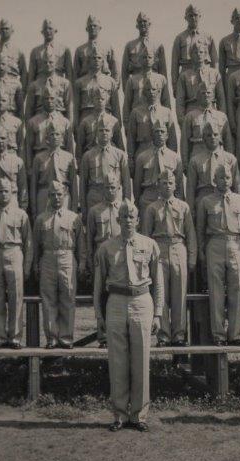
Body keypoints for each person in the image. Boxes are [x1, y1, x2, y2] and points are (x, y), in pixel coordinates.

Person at [93, 201, 163, 432]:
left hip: (142, 301)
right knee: (117, 359)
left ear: (138, 220)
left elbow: (159, 283)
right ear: (118, 220)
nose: (128, 220)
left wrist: (158, 314)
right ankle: (120, 414)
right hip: (116, 302)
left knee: (141, 358)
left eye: (131, 216)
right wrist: (99, 316)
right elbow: (98, 287)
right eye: (123, 216)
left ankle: (139, 415)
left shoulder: (150, 245)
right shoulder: (106, 248)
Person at [196, 164, 240, 345]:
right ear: (215, 180)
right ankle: (219, 335)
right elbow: (200, 231)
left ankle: (235, 335)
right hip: (215, 243)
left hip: (236, 244)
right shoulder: (206, 201)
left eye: (228, 177)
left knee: (237, 288)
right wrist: (202, 252)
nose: (225, 180)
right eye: (221, 177)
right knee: (216, 291)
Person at [141, 170, 196, 347]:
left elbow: (191, 235)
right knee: (160, 293)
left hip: (178, 247)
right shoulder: (152, 208)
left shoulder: (183, 207)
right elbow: (146, 236)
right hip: (159, 248)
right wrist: (145, 260)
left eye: (170, 182)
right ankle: (163, 335)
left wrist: (192, 258)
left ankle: (179, 335)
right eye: (164, 182)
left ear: (175, 185)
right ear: (158, 185)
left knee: (180, 294)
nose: (167, 185)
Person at [0, 178, 33, 349]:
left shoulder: (21, 215)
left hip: (14, 252)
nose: (3, 194)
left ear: (12, 193)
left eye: (6, 191)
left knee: (16, 297)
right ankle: (0, 337)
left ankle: (15, 337)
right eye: (0, 191)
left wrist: (27, 266)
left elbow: (28, 243)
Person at [33, 181, 86, 349]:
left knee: (68, 298)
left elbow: (81, 244)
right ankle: (52, 338)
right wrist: (35, 264)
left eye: (59, 194)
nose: (56, 198)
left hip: (67, 257)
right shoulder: (41, 219)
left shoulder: (74, 218)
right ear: (48, 196)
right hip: (48, 258)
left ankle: (66, 338)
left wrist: (82, 262)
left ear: (65, 196)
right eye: (53, 195)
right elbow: (35, 245)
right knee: (48, 300)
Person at [86, 176, 124, 347]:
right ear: (103, 190)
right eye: (107, 187)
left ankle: (119, 333)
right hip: (101, 254)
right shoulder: (95, 211)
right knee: (101, 293)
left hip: (118, 254)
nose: (110, 190)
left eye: (113, 187)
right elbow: (89, 239)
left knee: (119, 293)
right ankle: (103, 336)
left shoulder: (123, 210)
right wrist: (88, 259)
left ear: (119, 188)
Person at [79, 116, 132, 216]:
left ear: (112, 134)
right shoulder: (87, 156)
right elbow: (83, 185)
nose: (104, 133)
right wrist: (84, 209)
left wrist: (126, 204)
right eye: (101, 130)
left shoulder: (120, 155)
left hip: (115, 199)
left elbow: (126, 183)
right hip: (95, 198)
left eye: (107, 130)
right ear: (96, 133)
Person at [186, 119, 240, 212]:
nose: (212, 137)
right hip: (203, 198)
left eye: (215, 134)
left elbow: (237, 184)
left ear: (220, 137)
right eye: (208, 135)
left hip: (225, 199)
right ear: (203, 139)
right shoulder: (195, 160)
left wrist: (239, 203)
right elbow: (190, 189)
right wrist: (191, 210)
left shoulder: (230, 159)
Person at [126, 77, 178, 173]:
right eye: (148, 90)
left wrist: (171, 157)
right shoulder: (136, 112)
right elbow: (131, 138)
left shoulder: (166, 112)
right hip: (142, 152)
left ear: (159, 91)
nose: (151, 92)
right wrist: (130, 159)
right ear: (144, 92)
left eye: (154, 89)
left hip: (163, 154)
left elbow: (172, 139)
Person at [30, 125, 79, 222]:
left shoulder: (69, 158)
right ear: (47, 138)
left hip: (63, 195)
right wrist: (34, 209)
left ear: (62, 138)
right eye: (52, 134)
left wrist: (74, 208)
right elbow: (33, 185)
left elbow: (73, 184)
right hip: (44, 194)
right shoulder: (39, 158)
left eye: (57, 134)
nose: (55, 137)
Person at [133, 121, 184, 212]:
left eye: (162, 131)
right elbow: (137, 185)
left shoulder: (175, 158)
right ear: (152, 135)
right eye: (157, 132)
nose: (160, 134)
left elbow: (179, 185)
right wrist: (138, 203)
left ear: (167, 135)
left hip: (169, 201)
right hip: (148, 199)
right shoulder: (142, 157)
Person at [180, 83, 233, 166]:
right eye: (203, 93)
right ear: (197, 96)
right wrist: (185, 164)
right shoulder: (190, 116)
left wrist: (229, 161)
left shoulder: (221, 116)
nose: (206, 95)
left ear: (213, 96)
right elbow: (185, 143)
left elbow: (228, 141)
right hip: (197, 154)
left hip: (217, 156)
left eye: (208, 93)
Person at [175, 42, 225, 125]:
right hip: (191, 111)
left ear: (206, 54)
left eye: (201, 52)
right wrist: (181, 120)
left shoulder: (214, 74)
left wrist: (221, 117)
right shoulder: (184, 76)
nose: (198, 54)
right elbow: (180, 101)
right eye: (195, 52)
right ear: (191, 55)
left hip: (211, 112)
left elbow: (221, 98)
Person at [26, 87, 74, 170]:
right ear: (42, 100)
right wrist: (29, 167)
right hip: (40, 161)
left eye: (52, 98)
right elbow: (28, 147)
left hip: (61, 161)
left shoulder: (64, 122)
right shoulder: (33, 122)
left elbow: (70, 146)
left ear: (57, 100)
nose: (49, 101)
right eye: (46, 98)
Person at [123, 46, 172, 127]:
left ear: (154, 60)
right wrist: (126, 125)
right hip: (138, 121)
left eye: (150, 57)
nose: (147, 59)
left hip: (158, 120)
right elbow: (127, 105)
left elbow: (166, 101)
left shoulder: (161, 79)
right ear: (139, 60)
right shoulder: (132, 80)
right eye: (144, 57)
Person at [73, 52, 121, 131]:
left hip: (105, 120)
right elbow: (75, 108)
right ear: (88, 61)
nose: (96, 60)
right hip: (85, 120)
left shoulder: (110, 81)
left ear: (103, 62)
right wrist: (76, 126)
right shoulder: (79, 83)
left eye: (99, 58)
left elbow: (116, 108)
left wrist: (118, 125)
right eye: (93, 58)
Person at [121, 12, 168, 91]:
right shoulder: (130, 45)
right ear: (137, 25)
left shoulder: (158, 45)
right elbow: (124, 71)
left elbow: (163, 70)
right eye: (140, 22)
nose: (142, 24)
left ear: (149, 24)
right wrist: (127, 91)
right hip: (136, 84)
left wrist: (163, 90)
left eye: (145, 21)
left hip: (154, 84)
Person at [173, 4, 218, 84]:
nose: (193, 18)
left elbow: (214, 62)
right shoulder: (180, 38)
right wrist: (175, 84)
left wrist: (214, 80)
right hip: (186, 74)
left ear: (200, 16)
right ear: (185, 18)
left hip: (205, 74)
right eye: (190, 15)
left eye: (195, 15)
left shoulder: (208, 37)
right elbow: (175, 64)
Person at [76, 87, 124, 160]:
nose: (100, 101)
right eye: (97, 99)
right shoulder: (85, 122)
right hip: (90, 159)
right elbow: (79, 148)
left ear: (106, 101)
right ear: (92, 100)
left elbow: (120, 145)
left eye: (102, 99)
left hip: (109, 158)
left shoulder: (114, 121)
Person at [24, 50, 73, 122]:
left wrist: (69, 128)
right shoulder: (34, 85)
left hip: (59, 121)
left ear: (55, 64)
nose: (47, 64)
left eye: (51, 62)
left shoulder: (65, 83)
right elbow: (29, 111)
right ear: (41, 65)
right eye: (45, 62)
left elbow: (69, 108)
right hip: (39, 121)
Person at [0, 19, 27, 89]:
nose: (4, 31)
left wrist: (23, 91)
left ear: (12, 31)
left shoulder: (18, 51)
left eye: (7, 28)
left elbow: (24, 73)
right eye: (2, 29)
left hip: (12, 85)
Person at [73, 15, 118, 81]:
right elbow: (75, 72)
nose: (92, 28)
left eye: (95, 26)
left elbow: (115, 68)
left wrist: (114, 86)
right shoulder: (80, 50)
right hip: (84, 84)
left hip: (104, 84)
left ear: (100, 28)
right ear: (86, 29)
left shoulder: (108, 47)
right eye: (90, 26)